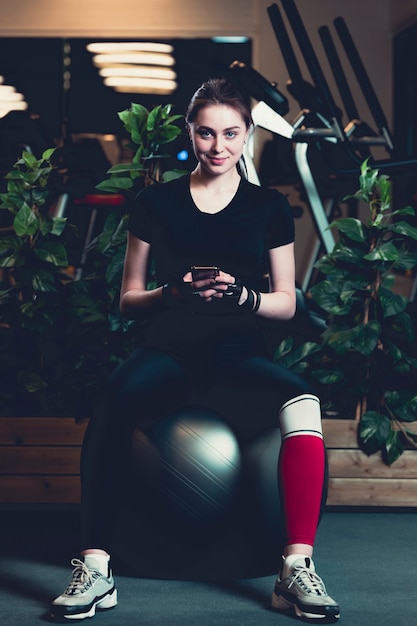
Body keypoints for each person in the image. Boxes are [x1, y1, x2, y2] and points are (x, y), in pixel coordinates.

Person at [50, 77, 340, 622]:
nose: (218, 146)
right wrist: (172, 292)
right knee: (114, 397)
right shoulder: (155, 202)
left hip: (238, 356)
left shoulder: (268, 208)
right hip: (168, 351)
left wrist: (243, 294)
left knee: (303, 403)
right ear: (191, 132)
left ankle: (295, 568)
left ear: (248, 135)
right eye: (206, 133)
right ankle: (96, 568)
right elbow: (129, 300)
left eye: (231, 134)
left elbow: (286, 303)